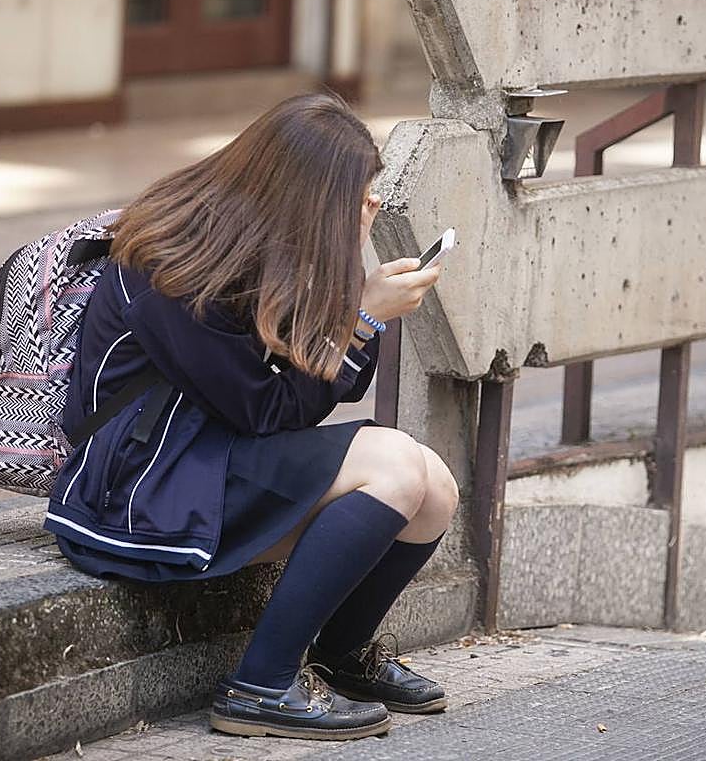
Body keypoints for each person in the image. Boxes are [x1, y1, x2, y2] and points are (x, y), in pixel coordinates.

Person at [43, 92, 458, 741]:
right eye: (358, 193)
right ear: (308, 193)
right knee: (399, 468)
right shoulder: (171, 265)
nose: (370, 204)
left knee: (436, 488)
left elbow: (293, 403)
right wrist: (363, 317)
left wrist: (354, 306)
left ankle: (342, 656)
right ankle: (261, 684)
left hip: (204, 458)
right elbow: (268, 410)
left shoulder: (256, 247)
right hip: (137, 492)